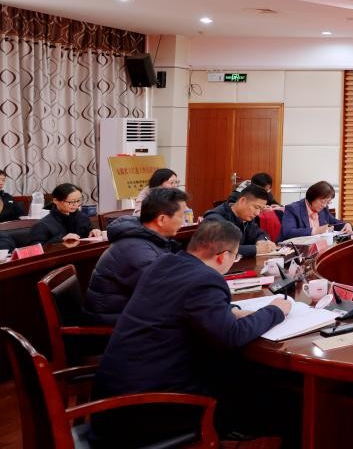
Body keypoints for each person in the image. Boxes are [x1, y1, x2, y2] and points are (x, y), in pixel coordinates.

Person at [89, 219, 292, 447]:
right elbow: (231, 336)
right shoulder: (206, 279)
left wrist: (231, 311)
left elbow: (184, 306)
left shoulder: (164, 263)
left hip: (115, 395)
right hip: (145, 409)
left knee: (238, 372)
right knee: (267, 391)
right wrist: (275, 311)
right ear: (222, 256)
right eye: (235, 257)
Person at [85, 188, 188, 325]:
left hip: (131, 318)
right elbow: (166, 295)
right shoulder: (137, 252)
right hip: (115, 328)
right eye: (181, 215)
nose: (184, 221)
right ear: (162, 219)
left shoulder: (147, 239)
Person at [202, 184, 275, 256]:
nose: (257, 213)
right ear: (242, 200)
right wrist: (256, 249)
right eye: (256, 207)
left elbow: (261, 234)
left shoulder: (246, 218)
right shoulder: (215, 219)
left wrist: (262, 241)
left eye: (260, 209)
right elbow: (220, 248)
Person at [28, 183, 102, 244]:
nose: (76, 205)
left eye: (78, 201)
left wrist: (94, 231)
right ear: (56, 201)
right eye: (71, 202)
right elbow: (36, 249)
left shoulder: (82, 217)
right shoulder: (42, 225)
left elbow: (88, 231)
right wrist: (61, 239)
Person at [280, 181, 351, 241]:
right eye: (323, 202)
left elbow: (335, 223)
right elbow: (288, 232)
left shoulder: (323, 210)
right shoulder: (293, 209)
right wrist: (316, 231)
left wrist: (346, 225)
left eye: (328, 202)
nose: (325, 205)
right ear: (312, 197)